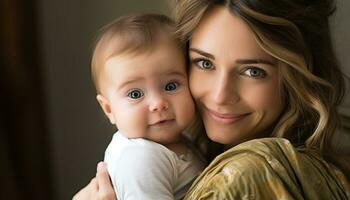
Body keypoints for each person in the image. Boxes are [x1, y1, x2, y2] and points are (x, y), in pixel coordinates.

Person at [73, 0, 350, 199]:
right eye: (204, 63)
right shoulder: (169, 152)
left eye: (253, 71)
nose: (220, 95)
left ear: (297, 77)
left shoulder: (247, 176)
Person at [88, 13, 205, 200]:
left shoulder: (181, 141)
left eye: (171, 86)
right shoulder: (141, 158)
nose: (158, 103)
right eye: (135, 94)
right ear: (109, 109)